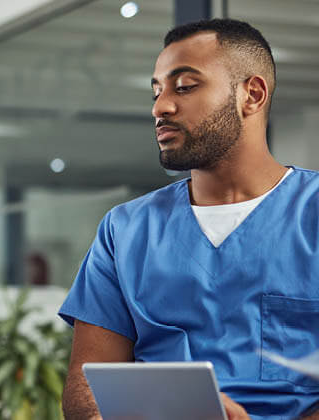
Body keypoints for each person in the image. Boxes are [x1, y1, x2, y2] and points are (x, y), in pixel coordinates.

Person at [58, 18, 319, 420]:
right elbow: (88, 387)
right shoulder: (124, 231)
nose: (160, 106)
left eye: (184, 87)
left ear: (252, 94)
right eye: (157, 91)